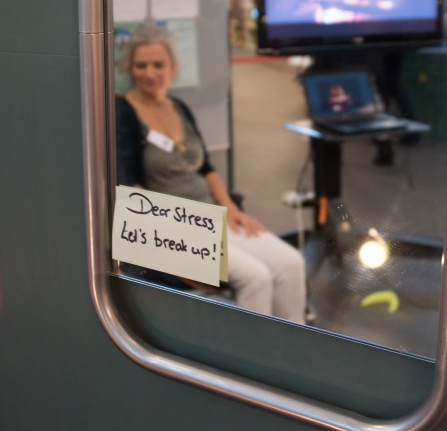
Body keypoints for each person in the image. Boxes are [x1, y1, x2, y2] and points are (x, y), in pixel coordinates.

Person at [115, 25, 307, 324]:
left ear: (173, 68)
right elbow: (130, 186)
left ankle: (291, 345)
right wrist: (168, 235)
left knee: (292, 263)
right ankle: (254, 351)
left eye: (158, 65)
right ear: (129, 68)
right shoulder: (123, 112)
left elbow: (205, 167)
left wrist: (231, 209)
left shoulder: (178, 107)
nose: (150, 73)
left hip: (210, 214)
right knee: (256, 278)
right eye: (141, 65)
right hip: (170, 226)